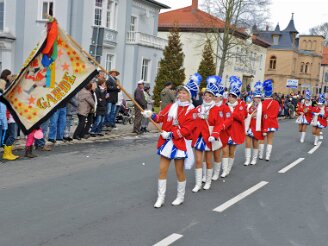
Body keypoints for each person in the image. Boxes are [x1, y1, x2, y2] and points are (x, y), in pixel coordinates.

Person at [141, 73, 201, 208]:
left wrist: (171, 134)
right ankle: (160, 198)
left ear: (190, 95)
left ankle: (180, 196)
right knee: (162, 170)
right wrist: (150, 114)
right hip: (167, 143)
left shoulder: (193, 112)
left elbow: (187, 129)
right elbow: (160, 117)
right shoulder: (171, 107)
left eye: (184, 93)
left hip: (179, 143)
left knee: (179, 171)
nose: (180, 95)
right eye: (180, 93)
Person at [191, 76, 222, 192]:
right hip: (199, 137)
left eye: (210, 96)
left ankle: (208, 181)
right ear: (203, 96)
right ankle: (198, 183)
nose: (207, 97)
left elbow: (219, 124)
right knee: (198, 160)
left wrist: (214, 135)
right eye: (206, 95)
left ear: (213, 97)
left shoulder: (216, 109)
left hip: (209, 137)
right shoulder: (198, 108)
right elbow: (191, 119)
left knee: (209, 160)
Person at [220, 76, 247, 178]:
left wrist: (232, 113)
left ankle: (228, 168)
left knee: (231, 152)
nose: (230, 97)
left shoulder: (241, 106)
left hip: (235, 132)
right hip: (225, 132)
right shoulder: (225, 106)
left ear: (236, 97)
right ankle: (224, 170)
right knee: (225, 151)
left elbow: (242, 117)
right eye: (229, 96)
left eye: (232, 96)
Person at [211, 77, 231, 180]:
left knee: (224, 149)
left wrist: (222, 126)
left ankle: (225, 169)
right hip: (213, 132)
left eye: (216, 97)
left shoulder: (225, 107)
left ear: (220, 98)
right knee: (215, 152)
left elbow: (228, 119)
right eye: (213, 96)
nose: (214, 98)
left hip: (223, 132)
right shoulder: (211, 107)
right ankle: (216, 172)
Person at [258, 79, 280, 161]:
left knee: (262, 139)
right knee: (270, 139)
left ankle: (260, 155)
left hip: (264, 123)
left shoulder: (262, 103)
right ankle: (267, 156)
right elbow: (277, 113)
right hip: (272, 123)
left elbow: (260, 114)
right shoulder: (276, 103)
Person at [244, 82, 264, 166]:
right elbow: (245, 114)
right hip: (248, 126)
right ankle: (247, 159)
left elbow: (264, 118)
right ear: (253, 98)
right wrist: (250, 115)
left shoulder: (262, 107)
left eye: (259, 98)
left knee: (255, 143)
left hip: (257, 127)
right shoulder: (249, 106)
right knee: (247, 143)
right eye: (256, 97)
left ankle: (254, 159)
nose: (258, 99)